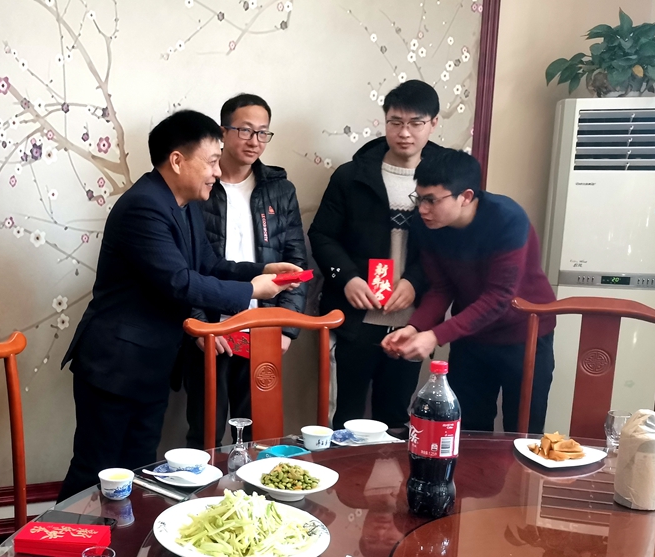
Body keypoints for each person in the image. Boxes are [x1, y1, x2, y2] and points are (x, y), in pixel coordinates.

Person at [57, 110, 301, 501]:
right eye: (211, 161)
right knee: (95, 471)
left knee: (137, 470)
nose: (217, 172)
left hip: (152, 365)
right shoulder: (144, 206)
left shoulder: (184, 204)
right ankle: (67, 534)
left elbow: (209, 265)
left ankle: (122, 534)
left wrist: (262, 270)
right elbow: (179, 282)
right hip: (115, 365)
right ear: (176, 160)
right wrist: (249, 291)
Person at [381, 148, 556, 433]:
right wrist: (415, 327)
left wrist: (435, 336)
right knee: (466, 431)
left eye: (431, 200)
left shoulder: (507, 219)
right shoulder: (427, 225)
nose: (422, 209)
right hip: (472, 337)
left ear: (465, 196)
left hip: (525, 335)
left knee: (523, 433)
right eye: (419, 198)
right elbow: (441, 287)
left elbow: (499, 298)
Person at [309, 80, 442, 430]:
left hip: (413, 322)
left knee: (396, 418)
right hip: (355, 319)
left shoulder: (445, 181)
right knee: (344, 419)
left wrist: (414, 282)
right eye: (395, 122)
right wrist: (347, 278)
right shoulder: (352, 176)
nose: (404, 133)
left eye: (415, 123)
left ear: (433, 123)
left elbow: (450, 246)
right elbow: (322, 235)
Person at [182, 93, 308, 449]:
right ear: (223, 132)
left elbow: (296, 259)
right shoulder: (199, 185)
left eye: (263, 132)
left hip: (263, 325)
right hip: (211, 327)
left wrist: (286, 328)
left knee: (259, 430)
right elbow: (185, 266)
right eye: (246, 130)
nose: (255, 141)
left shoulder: (279, 189)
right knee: (205, 430)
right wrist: (198, 324)